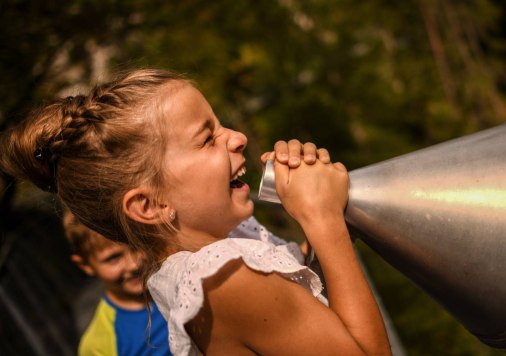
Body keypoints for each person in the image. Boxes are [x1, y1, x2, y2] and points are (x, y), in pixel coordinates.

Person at [0, 69, 391, 355]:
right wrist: (324, 220)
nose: (236, 138)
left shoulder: (212, 253)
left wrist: (322, 221)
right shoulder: (226, 277)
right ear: (150, 205)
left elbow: (310, 309)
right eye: (207, 139)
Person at [62, 208, 171, 355]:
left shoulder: (182, 278)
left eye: (137, 245)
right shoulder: (98, 345)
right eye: (113, 258)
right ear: (85, 265)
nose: (134, 264)